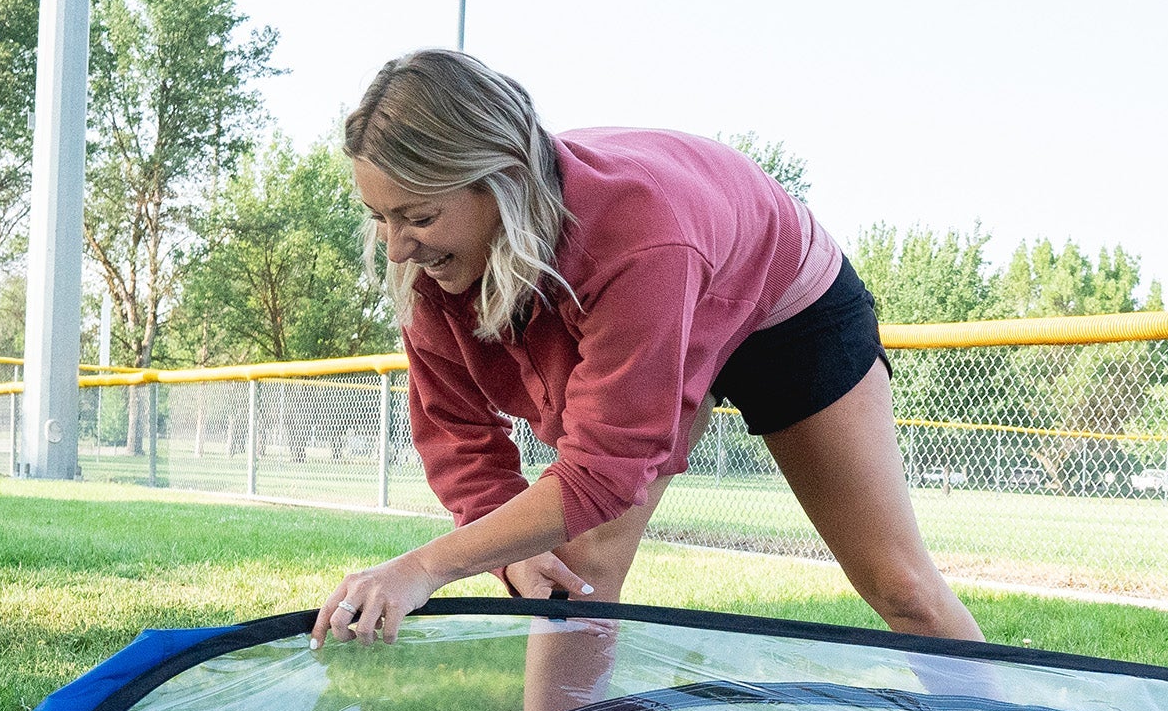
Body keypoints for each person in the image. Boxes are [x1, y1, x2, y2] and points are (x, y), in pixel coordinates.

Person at [309, 48, 982, 650]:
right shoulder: (429, 271)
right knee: (575, 572)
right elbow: (458, 437)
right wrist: (510, 556)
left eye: (419, 216)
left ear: (504, 181)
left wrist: (426, 567)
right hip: (666, 281)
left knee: (901, 586)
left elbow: (601, 473)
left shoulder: (638, 237)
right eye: (381, 216)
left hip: (780, 302)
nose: (396, 247)